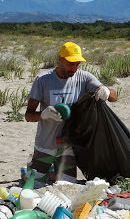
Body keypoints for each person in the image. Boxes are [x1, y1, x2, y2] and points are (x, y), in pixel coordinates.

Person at [25, 42, 118, 184]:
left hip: (67, 147)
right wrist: (44, 114)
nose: (74, 68)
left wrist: (105, 91)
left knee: (67, 186)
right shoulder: (43, 80)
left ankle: (53, 173)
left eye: (77, 64)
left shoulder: (84, 78)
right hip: (45, 145)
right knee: (34, 185)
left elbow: (114, 97)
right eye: (70, 63)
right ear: (60, 59)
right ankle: (34, 170)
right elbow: (28, 116)